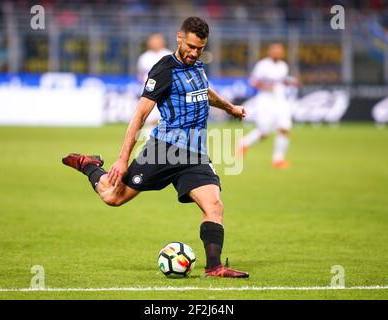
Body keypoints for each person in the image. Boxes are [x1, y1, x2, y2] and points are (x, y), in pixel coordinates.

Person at [62, 17, 249, 278]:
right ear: (180, 38)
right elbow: (139, 116)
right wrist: (121, 159)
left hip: (195, 155)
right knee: (113, 197)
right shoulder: (163, 70)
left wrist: (229, 108)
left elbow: (204, 91)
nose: (195, 53)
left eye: (200, 48)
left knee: (214, 206)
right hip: (163, 150)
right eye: (191, 47)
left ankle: (214, 267)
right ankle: (90, 165)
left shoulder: (197, 66)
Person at [237, 43, 299, 169]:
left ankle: (278, 159)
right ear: (270, 52)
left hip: (280, 101)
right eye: (275, 51)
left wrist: (291, 83)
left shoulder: (283, 66)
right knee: (264, 132)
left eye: (280, 51)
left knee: (284, 128)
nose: (277, 53)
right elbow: (253, 82)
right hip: (265, 101)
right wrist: (266, 86)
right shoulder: (262, 65)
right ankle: (243, 143)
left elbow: (281, 82)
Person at [137, 33, 173, 140]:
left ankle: (163, 141)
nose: (155, 43)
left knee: (164, 118)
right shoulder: (144, 58)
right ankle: (150, 141)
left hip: (166, 93)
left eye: (157, 40)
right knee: (149, 118)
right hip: (149, 93)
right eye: (153, 40)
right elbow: (140, 75)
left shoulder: (169, 55)